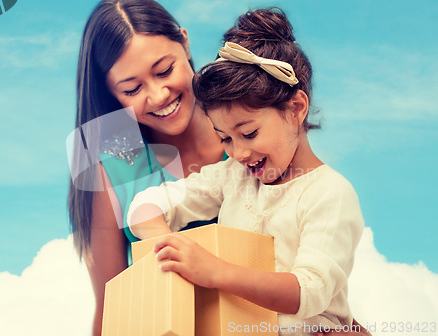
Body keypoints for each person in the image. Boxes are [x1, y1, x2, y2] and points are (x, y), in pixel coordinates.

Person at [127, 7, 369, 336]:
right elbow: (147, 205)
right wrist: (166, 244)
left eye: (249, 133)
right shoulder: (233, 177)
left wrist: (214, 271)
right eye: (224, 138)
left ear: (296, 108)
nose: (239, 153)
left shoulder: (329, 194)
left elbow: (308, 292)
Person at [67, 0, 225, 335]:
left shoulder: (248, 126)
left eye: (165, 71)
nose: (157, 95)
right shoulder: (112, 170)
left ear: (184, 42)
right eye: (132, 88)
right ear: (112, 94)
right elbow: (112, 308)